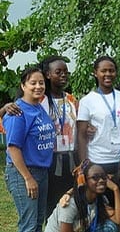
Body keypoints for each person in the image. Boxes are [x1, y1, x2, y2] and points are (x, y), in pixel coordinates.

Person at [1, 57, 79, 215]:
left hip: (69, 159)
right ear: (48, 75)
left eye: (66, 72)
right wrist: (4, 108)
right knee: (47, 210)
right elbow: (13, 133)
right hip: (46, 160)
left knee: (69, 205)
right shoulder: (37, 100)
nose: (63, 75)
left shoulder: (71, 99)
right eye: (58, 72)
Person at [3, 67, 55, 232]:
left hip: (40, 172)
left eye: (41, 82)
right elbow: (13, 147)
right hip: (25, 173)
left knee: (37, 223)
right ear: (23, 85)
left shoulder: (39, 108)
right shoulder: (18, 112)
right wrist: (27, 178)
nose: (38, 86)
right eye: (32, 83)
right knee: (28, 225)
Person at [77, 56, 120, 174]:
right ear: (95, 73)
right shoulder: (86, 101)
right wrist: (83, 165)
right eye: (103, 71)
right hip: (98, 159)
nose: (108, 74)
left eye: (111, 71)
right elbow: (81, 135)